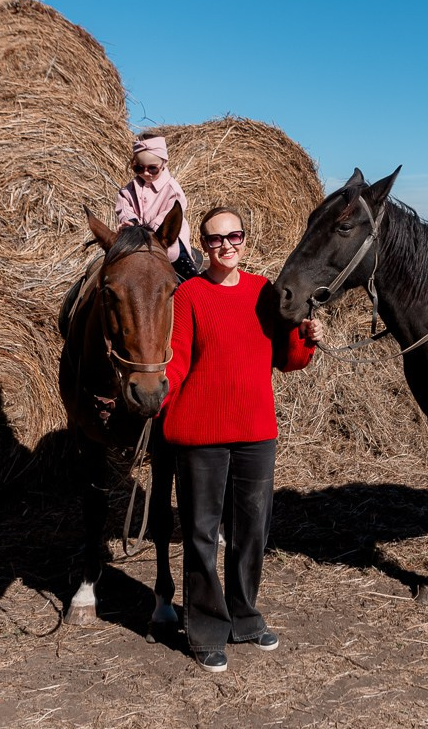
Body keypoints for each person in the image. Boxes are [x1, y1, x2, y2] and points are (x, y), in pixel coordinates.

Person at [158, 206, 324, 673]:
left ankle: (244, 617)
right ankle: (206, 630)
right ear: (203, 246)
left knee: (252, 531)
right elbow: (177, 360)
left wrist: (306, 337)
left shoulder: (264, 292)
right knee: (201, 534)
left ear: (245, 240)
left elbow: (287, 360)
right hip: (200, 435)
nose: (226, 245)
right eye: (215, 239)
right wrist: (156, 399)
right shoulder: (189, 295)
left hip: (255, 432)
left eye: (235, 236)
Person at [115, 135, 198, 280]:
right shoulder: (129, 189)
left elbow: (170, 213)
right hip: (135, 238)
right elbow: (124, 205)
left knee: (181, 258)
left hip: (166, 236)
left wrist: (151, 228)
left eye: (152, 168)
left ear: (164, 163)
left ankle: (193, 281)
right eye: (139, 168)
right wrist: (130, 221)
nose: (146, 173)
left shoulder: (172, 189)